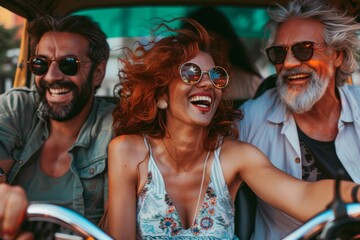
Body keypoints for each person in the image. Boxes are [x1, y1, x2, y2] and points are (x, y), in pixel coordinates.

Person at [107, 18, 360, 239]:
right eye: (191, 73)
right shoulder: (128, 152)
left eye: (215, 76)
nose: (207, 83)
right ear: (161, 95)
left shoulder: (236, 156)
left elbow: (303, 196)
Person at [238, 0, 360, 239]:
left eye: (304, 49)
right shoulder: (250, 118)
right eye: (279, 53)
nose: (289, 63)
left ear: (337, 56)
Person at [0, 14, 115, 239]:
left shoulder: (115, 127)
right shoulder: (17, 108)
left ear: (98, 73)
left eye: (68, 64)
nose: (51, 76)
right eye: (40, 64)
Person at [185, 7, 263, 108]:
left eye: (216, 45)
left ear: (229, 45)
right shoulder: (177, 82)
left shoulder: (252, 84)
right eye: (200, 46)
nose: (208, 53)